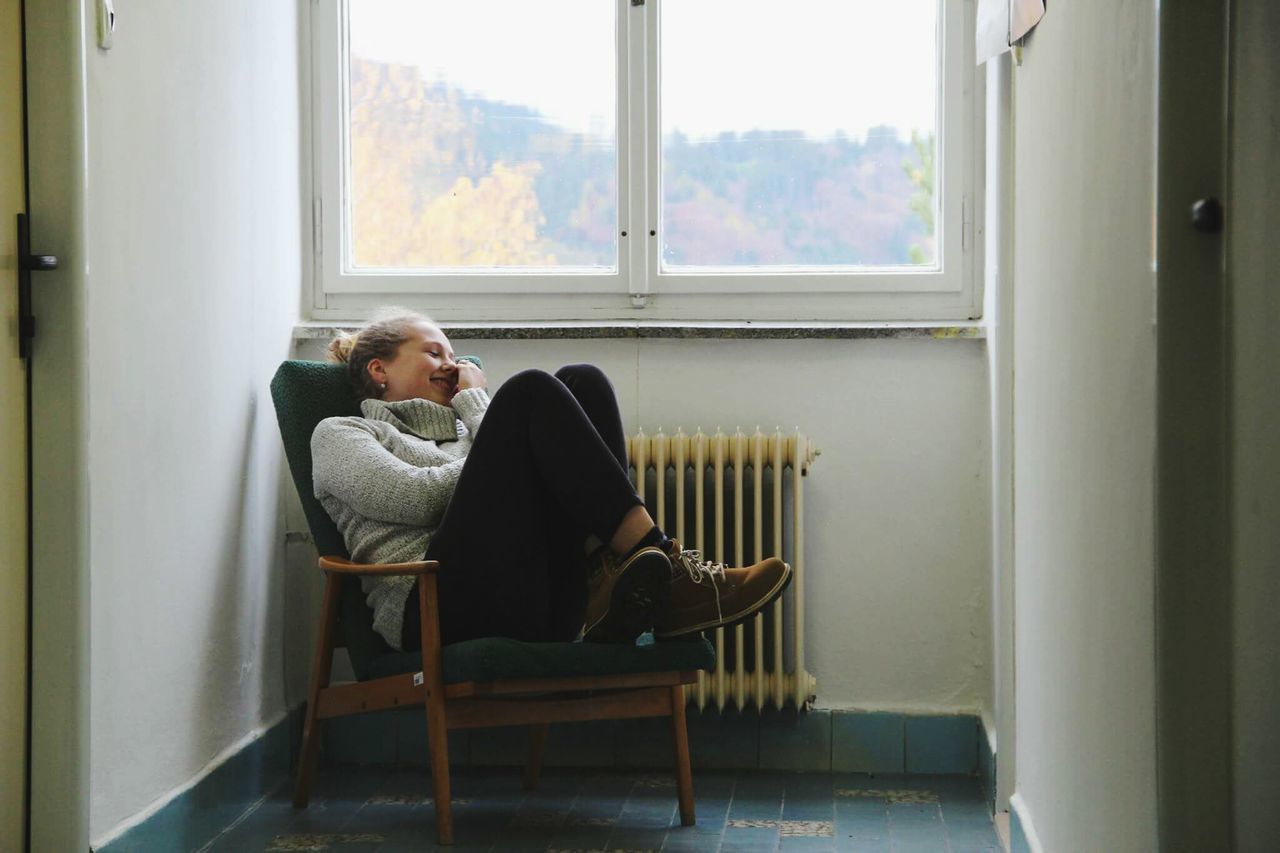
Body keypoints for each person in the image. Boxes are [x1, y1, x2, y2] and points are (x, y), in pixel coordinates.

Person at [311, 309, 791, 652]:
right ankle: (672, 579)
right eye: (433, 353)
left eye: (454, 355)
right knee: (529, 390)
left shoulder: (469, 432)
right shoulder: (342, 434)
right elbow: (420, 501)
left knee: (583, 380)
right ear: (380, 369)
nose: (453, 366)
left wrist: (478, 425)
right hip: (434, 607)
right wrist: (480, 409)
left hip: (537, 596)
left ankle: (614, 580)